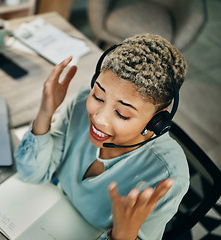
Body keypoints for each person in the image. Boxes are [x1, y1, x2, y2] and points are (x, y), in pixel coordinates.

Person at [14, 34, 189, 239]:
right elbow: (32, 173)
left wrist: (123, 237)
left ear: (157, 120)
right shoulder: (81, 103)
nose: (99, 119)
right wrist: (45, 113)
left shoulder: (167, 176)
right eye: (98, 96)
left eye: (122, 114)